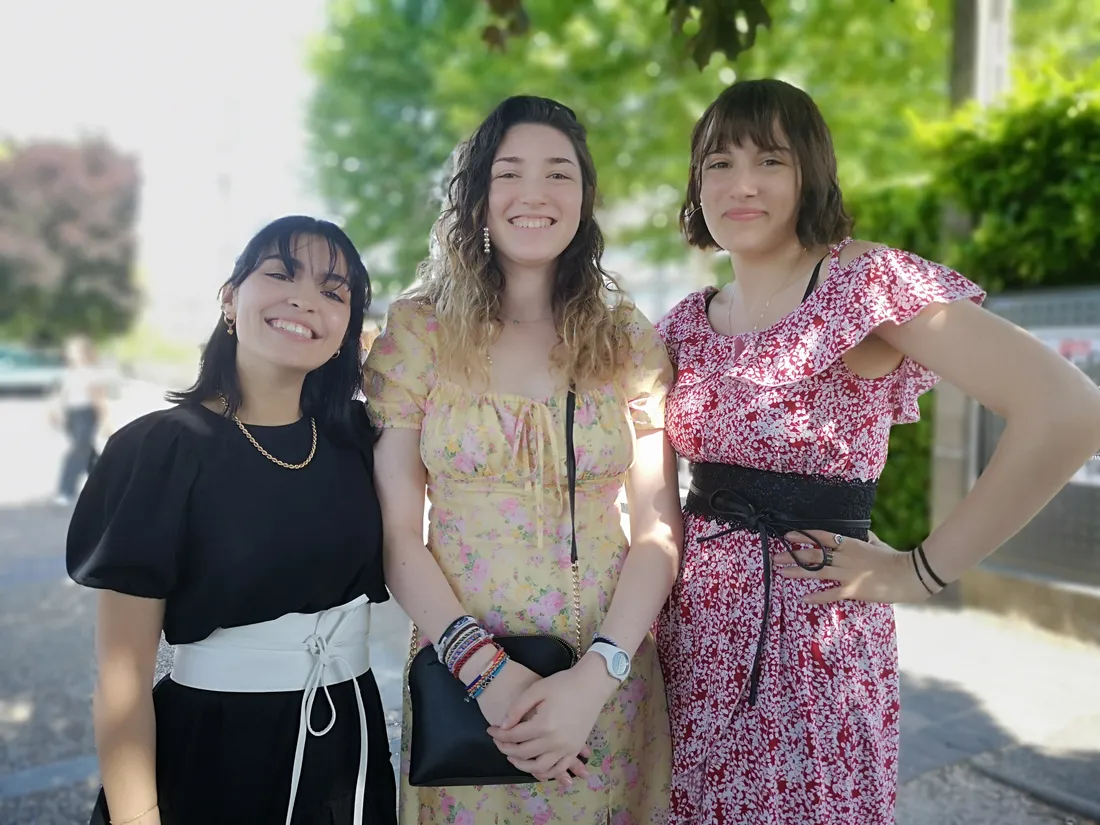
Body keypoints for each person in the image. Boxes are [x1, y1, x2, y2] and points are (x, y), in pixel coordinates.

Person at [654, 78, 1100, 825]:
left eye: (770, 160)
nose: (741, 183)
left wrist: (920, 570)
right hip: (692, 648)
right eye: (718, 163)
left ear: (811, 173)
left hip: (814, 653)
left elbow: (1069, 411)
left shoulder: (863, 283)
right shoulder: (682, 324)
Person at [364, 96, 681, 823]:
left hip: (604, 683)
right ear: (478, 197)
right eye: (509, 173)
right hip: (463, 684)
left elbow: (658, 528)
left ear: (585, 198)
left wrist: (596, 676)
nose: (534, 193)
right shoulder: (418, 333)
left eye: (558, 173)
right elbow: (398, 534)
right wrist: (488, 676)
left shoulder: (625, 339)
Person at [66, 216, 397, 825]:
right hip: (215, 751)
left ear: (348, 328)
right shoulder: (159, 448)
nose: (305, 299)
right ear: (229, 298)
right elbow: (123, 673)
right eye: (281, 274)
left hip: (349, 741)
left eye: (333, 291)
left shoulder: (361, 438)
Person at [52, 334, 110, 504]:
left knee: (78, 451)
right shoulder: (70, 372)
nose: (69, 353)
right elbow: (62, 393)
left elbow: (98, 398)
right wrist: (55, 411)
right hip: (72, 414)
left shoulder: (92, 373)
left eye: (73, 350)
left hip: (86, 414)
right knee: (87, 452)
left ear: (83, 352)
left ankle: (65, 490)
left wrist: (106, 420)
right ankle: (105, 483)